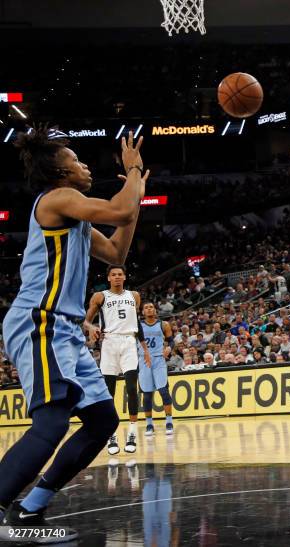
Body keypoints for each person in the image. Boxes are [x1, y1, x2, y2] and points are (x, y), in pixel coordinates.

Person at [0, 128, 147, 537]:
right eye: (76, 159)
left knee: (102, 420)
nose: (84, 165)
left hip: (64, 329)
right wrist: (132, 170)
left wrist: (133, 199)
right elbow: (119, 209)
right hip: (40, 320)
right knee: (51, 424)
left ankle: (29, 509)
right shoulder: (57, 199)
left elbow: (117, 251)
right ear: (59, 170)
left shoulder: (75, 215)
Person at [86, 264, 150, 455]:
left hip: (129, 342)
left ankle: (132, 433)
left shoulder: (134, 296)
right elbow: (86, 320)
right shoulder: (100, 296)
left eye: (120, 274)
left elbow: (136, 322)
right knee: (109, 392)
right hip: (110, 343)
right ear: (108, 278)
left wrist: (145, 348)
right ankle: (111, 435)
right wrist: (90, 329)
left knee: (132, 388)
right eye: (113, 274)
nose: (116, 277)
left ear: (124, 277)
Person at [139, 302, 174, 436]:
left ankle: (169, 421)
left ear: (155, 310)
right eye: (146, 307)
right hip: (143, 360)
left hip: (159, 359)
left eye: (151, 307)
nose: (149, 309)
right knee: (147, 395)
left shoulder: (163, 324)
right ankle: (149, 424)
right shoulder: (138, 326)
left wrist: (169, 347)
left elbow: (171, 341)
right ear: (143, 312)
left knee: (164, 391)